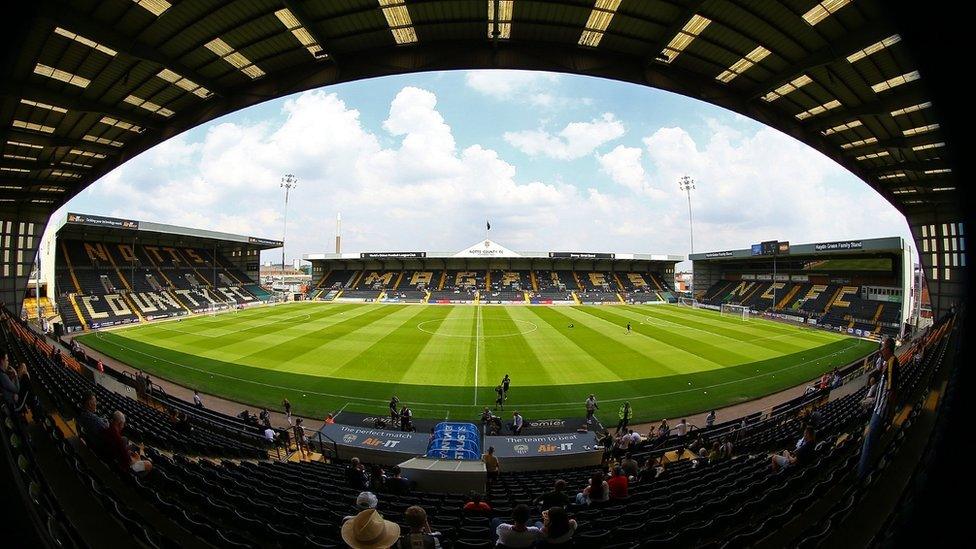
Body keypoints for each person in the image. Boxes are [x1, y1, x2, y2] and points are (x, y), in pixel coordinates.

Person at [103, 411, 152, 475]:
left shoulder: (108, 428)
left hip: (113, 456)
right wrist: (138, 459)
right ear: (120, 423)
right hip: (123, 467)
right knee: (149, 464)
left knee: (128, 444)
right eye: (123, 424)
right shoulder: (118, 439)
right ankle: (137, 477)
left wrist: (127, 452)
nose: (123, 426)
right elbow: (129, 462)